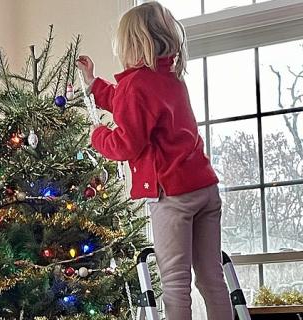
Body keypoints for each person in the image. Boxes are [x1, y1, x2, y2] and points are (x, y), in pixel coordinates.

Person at [77, 2, 233, 319]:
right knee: (211, 278)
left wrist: (97, 136)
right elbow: (127, 103)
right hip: (205, 189)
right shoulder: (169, 76)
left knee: (175, 284)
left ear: (131, 43)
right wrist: (94, 84)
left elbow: (126, 143)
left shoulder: (136, 85)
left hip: (173, 196)